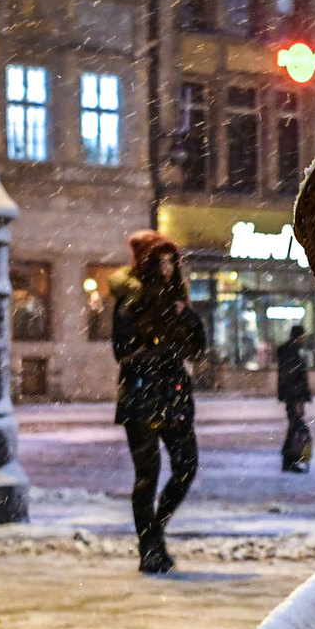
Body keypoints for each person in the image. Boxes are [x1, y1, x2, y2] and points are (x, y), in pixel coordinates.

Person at [112, 230, 207, 574]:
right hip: (141, 397)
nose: (168, 267)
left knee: (186, 466)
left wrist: (189, 318)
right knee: (146, 476)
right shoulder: (131, 303)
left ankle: (154, 533)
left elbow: (198, 349)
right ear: (150, 264)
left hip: (175, 396)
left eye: (172, 260)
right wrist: (161, 352)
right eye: (161, 261)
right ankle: (149, 547)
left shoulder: (178, 301)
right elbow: (122, 352)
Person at [276, 325, 312, 473]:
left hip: (293, 397)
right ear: (297, 337)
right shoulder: (291, 354)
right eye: (302, 337)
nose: (304, 340)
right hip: (293, 398)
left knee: (294, 428)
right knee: (297, 429)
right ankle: (289, 460)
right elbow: (292, 379)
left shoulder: (292, 352)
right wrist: (297, 401)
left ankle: (288, 460)